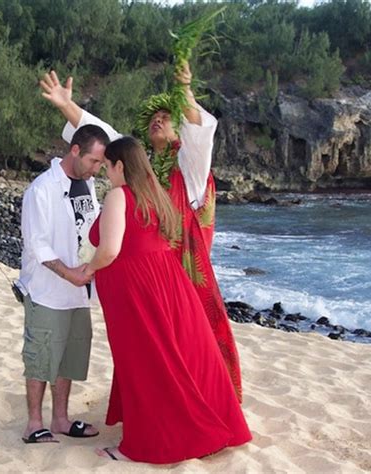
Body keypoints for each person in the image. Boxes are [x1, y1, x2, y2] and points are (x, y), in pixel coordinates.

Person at [40, 67, 243, 402]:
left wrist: (185, 89)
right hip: (148, 279)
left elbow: (199, 134)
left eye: (167, 116)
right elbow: (108, 138)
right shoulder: (141, 169)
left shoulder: (189, 169)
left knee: (191, 346)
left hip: (182, 275)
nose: (158, 121)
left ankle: (201, 402)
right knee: (154, 348)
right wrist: (67, 106)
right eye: (154, 118)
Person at [81, 136, 252, 463]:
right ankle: (205, 421)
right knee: (180, 351)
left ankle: (149, 441)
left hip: (134, 287)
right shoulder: (155, 195)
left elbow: (110, 249)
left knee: (145, 360)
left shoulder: (119, 195)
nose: (106, 173)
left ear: (120, 165)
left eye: (107, 167)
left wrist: (87, 269)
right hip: (167, 280)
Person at [17, 124, 109, 443]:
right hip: (48, 290)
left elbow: (90, 230)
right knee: (41, 356)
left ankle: (60, 419)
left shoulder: (89, 184)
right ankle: (33, 423)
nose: (97, 168)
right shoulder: (41, 189)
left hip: (80, 292)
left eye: (101, 163)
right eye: (94, 161)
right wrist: (71, 274)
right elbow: (37, 244)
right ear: (74, 151)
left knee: (69, 356)